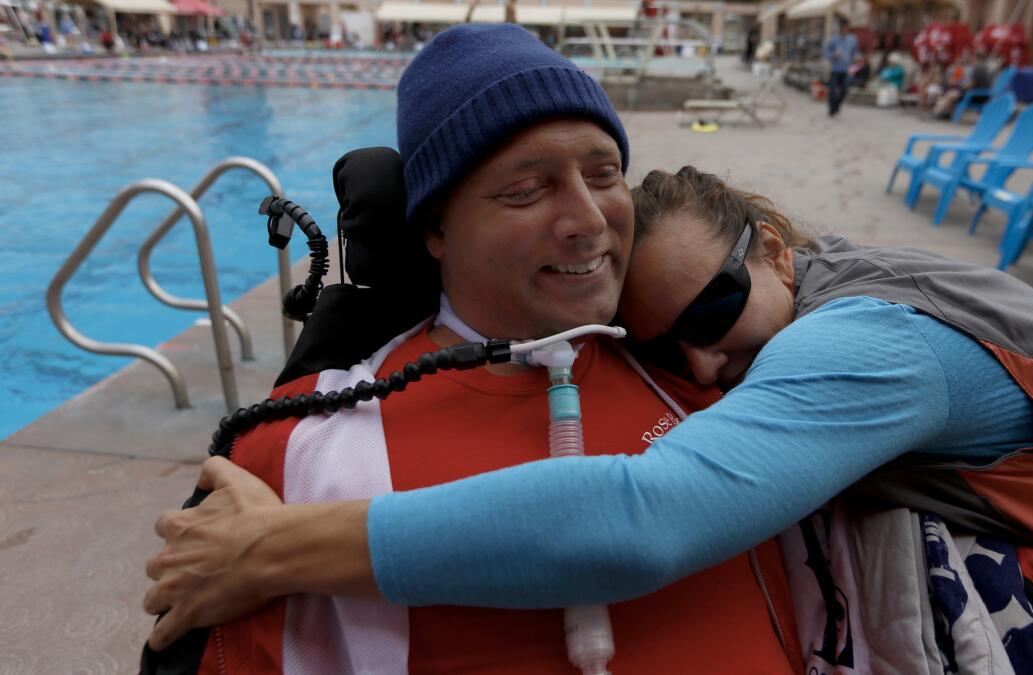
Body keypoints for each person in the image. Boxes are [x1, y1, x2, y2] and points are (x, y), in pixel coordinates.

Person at [147, 165, 1033, 672]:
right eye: (661, 348)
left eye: (715, 309)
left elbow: (642, 515)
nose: (704, 364)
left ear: (778, 249)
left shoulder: (870, 343)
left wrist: (277, 547)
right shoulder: (850, 285)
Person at [141, 25, 802, 675]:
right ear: (435, 227)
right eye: (527, 190)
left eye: (604, 175)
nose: (589, 219)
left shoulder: (700, 357)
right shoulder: (300, 453)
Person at [820, 17, 859, 116]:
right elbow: (825, 53)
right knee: (832, 90)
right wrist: (832, 55)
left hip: (846, 70)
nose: (845, 29)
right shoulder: (833, 40)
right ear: (840, 28)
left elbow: (856, 53)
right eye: (844, 27)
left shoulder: (852, 40)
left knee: (845, 90)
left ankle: (836, 105)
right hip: (835, 69)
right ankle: (831, 109)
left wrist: (856, 60)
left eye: (847, 27)